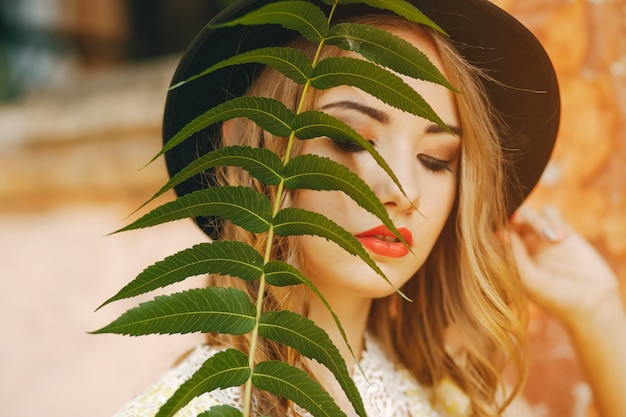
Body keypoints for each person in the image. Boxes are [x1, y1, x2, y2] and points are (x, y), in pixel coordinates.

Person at [112, 0, 626, 416]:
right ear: (251, 151)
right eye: (350, 140)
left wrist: (597, 310)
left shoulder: (443, 395)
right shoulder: (205, 407)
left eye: (436, 158)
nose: (403, 190)